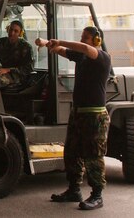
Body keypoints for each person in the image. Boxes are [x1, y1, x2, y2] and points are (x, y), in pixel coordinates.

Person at [37, 26, 111, 211]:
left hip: (95, 115)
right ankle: (74, 189)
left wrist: (59, 40)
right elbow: (63, 51)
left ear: (96, 40)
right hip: (78, 113)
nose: (82, 40)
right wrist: (47, 43)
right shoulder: (82, 57)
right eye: (81, 37)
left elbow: (84, 48)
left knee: (93, 155)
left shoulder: (102, 57)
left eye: (85, 38)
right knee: (72, 152)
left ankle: (97, 195)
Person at [0, 20, 33, 89]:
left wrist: (8, 69)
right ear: (8, 29)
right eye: (10, 29)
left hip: (18, 77)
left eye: (16, 31)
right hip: (2, 72)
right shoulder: (1, 42)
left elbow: (28, 68)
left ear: (20, 33)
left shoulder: (25, 47)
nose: (12, 33)